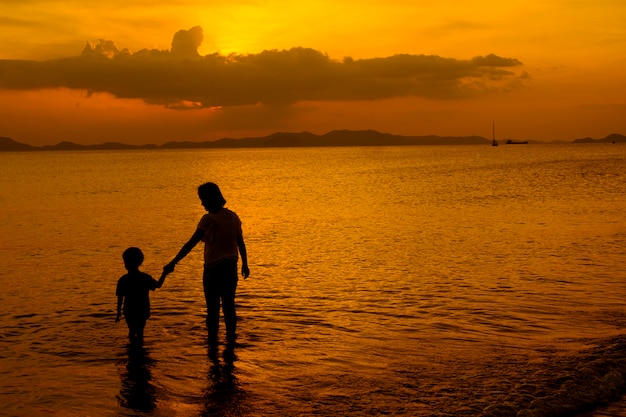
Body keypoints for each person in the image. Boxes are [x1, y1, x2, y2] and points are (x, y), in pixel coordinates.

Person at [163, 182, 249, 348]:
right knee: (229, 306)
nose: (202, 204)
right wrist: (245, 264)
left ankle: (212, 343)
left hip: (213, 270)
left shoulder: (208, 219)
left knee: (213, 308)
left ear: (210, 199)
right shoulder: (233, 216)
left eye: (203, 200)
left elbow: (191, 243)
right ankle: (231, 339)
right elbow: (241, 242)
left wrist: (173, 262)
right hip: (231, 267)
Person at [116, 247, 166, 345]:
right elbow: (158, 285)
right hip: (141, 310)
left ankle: (132, 351)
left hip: (129, 311)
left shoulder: (123, 279)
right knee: (140, 332)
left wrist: (118, 312)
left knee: (131, 331)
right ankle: (139, 352)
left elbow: (120, 298)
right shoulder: (144, 278)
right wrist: (164, 273)